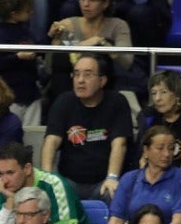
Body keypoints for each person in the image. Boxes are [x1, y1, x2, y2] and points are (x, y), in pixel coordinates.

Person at [41, 53, 132, 201]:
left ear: (102, 81)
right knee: (48, 195)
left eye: (87, 75)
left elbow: (119, 144)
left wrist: (112, 177)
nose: (80, 80)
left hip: (103, 182)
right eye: (76, 75)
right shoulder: (64, 101)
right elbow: (51, 141)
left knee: (114, 193)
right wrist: (47, 177)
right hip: (69, 182)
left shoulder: (117, 102)